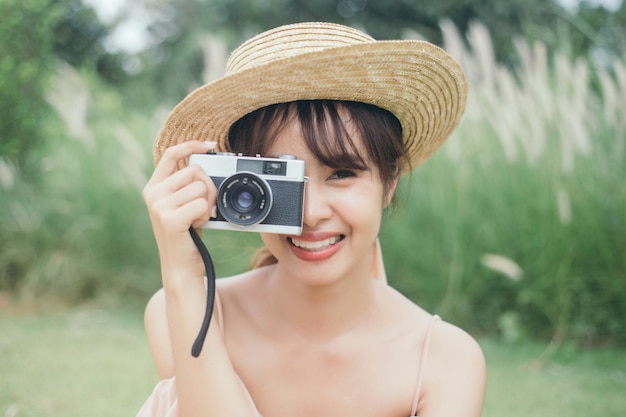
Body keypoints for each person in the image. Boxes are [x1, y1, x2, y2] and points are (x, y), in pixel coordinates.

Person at [137, 22, 486, 417]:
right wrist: (182, 276)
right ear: (238, 185)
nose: (312, 213)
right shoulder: (181, 310)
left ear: (389, 182)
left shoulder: (445, 362)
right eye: (284, 181)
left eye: (342, 173)